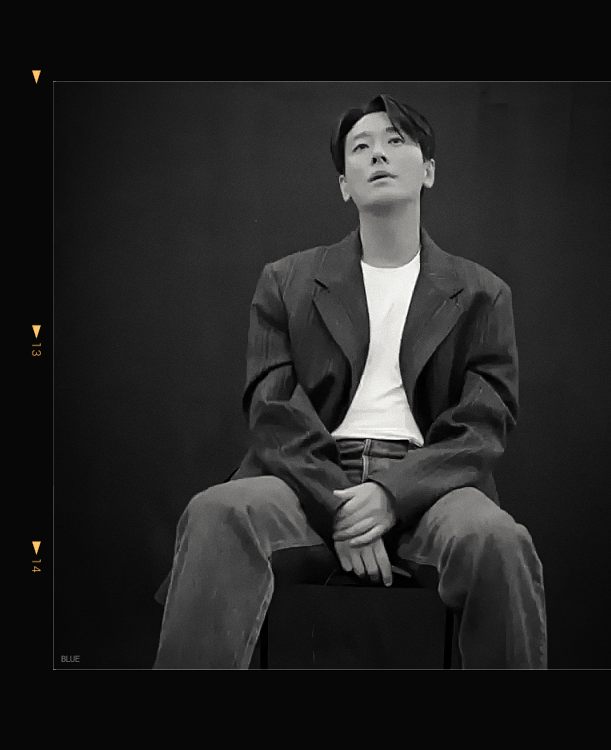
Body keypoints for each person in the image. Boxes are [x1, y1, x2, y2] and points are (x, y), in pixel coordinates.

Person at [152, 94, 547, 669]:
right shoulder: (286, 281)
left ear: (428, 171)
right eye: (361, 147)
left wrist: (392, 494)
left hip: (431, 488)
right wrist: (338, 504)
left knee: (500, 543)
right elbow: (272, 408)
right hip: (306, 480)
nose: (377, 154)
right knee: (216, 513)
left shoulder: (484, 293)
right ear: (344, 184)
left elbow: (483, 424)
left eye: (395, 141)